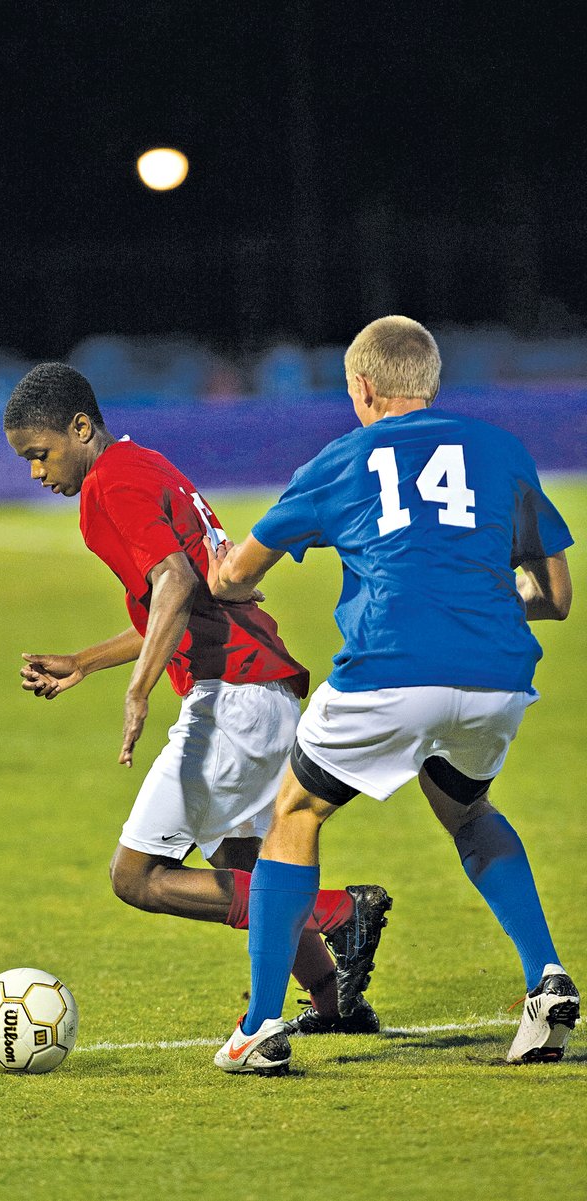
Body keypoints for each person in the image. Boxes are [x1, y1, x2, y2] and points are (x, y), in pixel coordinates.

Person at [207, 315, 579, 1075]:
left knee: (296, 812)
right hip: (496, 677)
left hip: (389, 670)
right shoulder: (503, 451)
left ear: (364, 387)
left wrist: (225, 574)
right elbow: (556, 593)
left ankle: (259, 1025)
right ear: (431, 380)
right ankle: (547, 978)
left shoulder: (343, 459)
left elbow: (235, 575)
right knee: (467, 810)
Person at [3, 362, 393, 1034]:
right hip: (261, 689)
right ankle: (333, 996)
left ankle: (337, 911)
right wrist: (86, 663)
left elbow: (176, 584)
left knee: (137, 876)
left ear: (80, 427)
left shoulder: (106, 487)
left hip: (234, 697)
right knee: (239, 861)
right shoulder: (145, 464)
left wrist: (137, 690)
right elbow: (176, 599)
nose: (38, 473)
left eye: (40, 454)